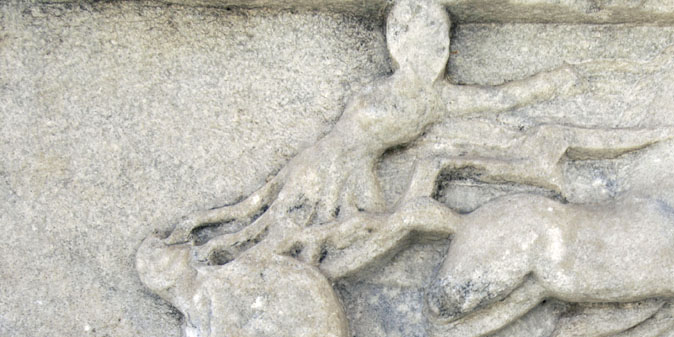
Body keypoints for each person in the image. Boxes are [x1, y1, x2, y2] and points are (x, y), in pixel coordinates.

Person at [168, 0, 576, 269]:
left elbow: (500, 97)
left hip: (358, 169)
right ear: (399, 43)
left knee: (361, 232)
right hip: (325, 166)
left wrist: (548, 83)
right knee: (282, 230)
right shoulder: (403, 95)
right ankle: (226, 267)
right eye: (425, 39)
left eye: (441, 39)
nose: (436, 49)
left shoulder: (437, 99)